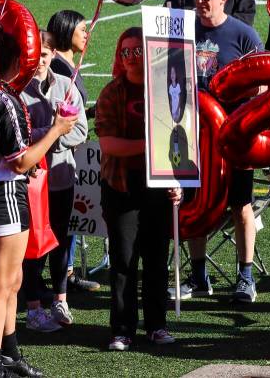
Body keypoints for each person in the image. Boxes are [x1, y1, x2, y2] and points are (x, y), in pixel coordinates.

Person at [0, 21, 78, 378]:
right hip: (2, 199)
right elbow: (20, 159)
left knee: (12, 283)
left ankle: (8, 354)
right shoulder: (3, 99)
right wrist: (57, 129)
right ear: (11, 61)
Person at [179, 0, 264, 303]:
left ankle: (245, 276)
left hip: (232, 135)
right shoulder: (184, 29)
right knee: (193, 203)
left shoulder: (242, 34)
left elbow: (262, 82)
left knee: (241, 204)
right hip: (192, 135)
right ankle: (198, 275)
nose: (201, 2)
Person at [97, 27, 182, 351]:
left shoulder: (167, 91)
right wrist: (150, 145)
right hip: (121, 186)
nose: (131, 57)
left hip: (158, 186)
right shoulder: (110, 93)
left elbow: (182, 140)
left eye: (137, 51)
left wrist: (178, 182)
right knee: (124, 261)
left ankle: (157, 325)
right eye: (125, 51)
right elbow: (108, 144)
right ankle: (122, 329)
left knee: (157, 260)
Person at [20, 31, 89, 332]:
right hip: (33, 181)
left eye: (45, 55)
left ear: (51, 55)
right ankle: (33, 305)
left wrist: (53, 136)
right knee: (33, 246)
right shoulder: (18, 90)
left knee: (61, 240)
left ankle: (60, 299)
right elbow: (20, 138)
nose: (39, 62)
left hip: (61, 176)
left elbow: (81, 130)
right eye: (35, 56)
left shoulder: (66, 86)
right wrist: (52, 133)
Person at [46, 9, 99, 292]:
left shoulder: (67, 64)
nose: (86, 35)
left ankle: (64, 272)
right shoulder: (59, 68)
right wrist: (73, 134)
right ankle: (60, 281)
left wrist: (89, 114)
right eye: (82, 29)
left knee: (66, 223)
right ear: (67, 33)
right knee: (59, 225)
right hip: (57, 160)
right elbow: (59, 121)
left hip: (67, 155)